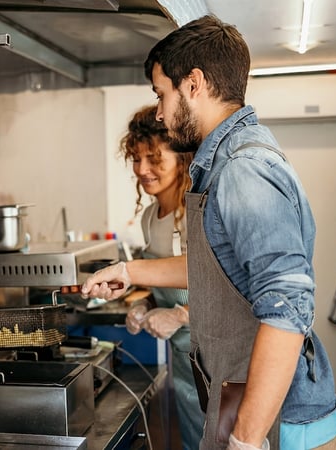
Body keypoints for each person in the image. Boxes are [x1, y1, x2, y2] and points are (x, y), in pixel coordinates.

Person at [81, 15, 336, 450]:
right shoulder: (224, 163)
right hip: (248, 406)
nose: (161, 112)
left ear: (194, 84)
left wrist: (245, 440)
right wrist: (129, 271)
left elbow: (287, 309)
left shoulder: (244, 170)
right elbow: (217, 269)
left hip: (279, 426)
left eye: (162, 94)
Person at [119, 104, 204, 449]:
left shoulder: (198, 211)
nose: (143, 169)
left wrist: (182, 314)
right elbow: (164, 283)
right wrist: (146, 304)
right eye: (137, 159)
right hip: (182, 360)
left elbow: (225, 288)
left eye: (154, 159)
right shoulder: (150, 218)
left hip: (211, 359)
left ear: (180, 159)